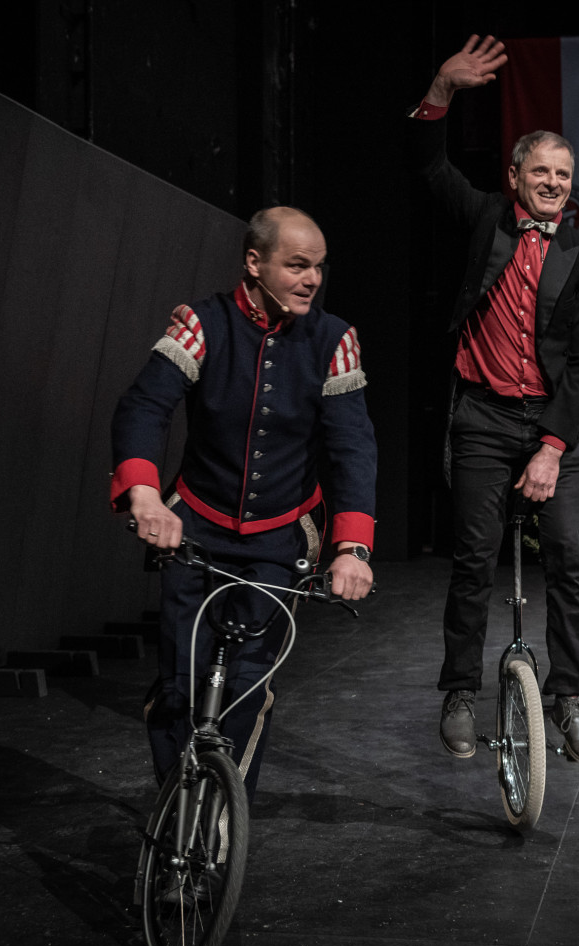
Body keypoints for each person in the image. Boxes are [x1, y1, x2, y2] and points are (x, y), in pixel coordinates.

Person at [111, 206, 376, 799]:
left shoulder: (335, 340)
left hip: (280, 538)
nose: (312, 279)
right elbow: (145, 406)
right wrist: (145, 495)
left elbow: (352, 447)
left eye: (318, 268)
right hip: (197, 527)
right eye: (297, 265)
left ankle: (227, 815)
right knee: (180, 686)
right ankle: (177, 807)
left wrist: (352, 547)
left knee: (249, 686)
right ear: (255, 263)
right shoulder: (201, 323)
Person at [410, 36, 579, 765]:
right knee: (472, 560)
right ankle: (461, 691)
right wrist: (441, 88)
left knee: (569, 562)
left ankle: (570, 698)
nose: (553, 182)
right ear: (516, 175)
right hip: (485, 418)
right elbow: (428, 167)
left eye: (563, 174)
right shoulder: (487, 219)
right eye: (541, 171)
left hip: (552, 424)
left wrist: (552, 448)